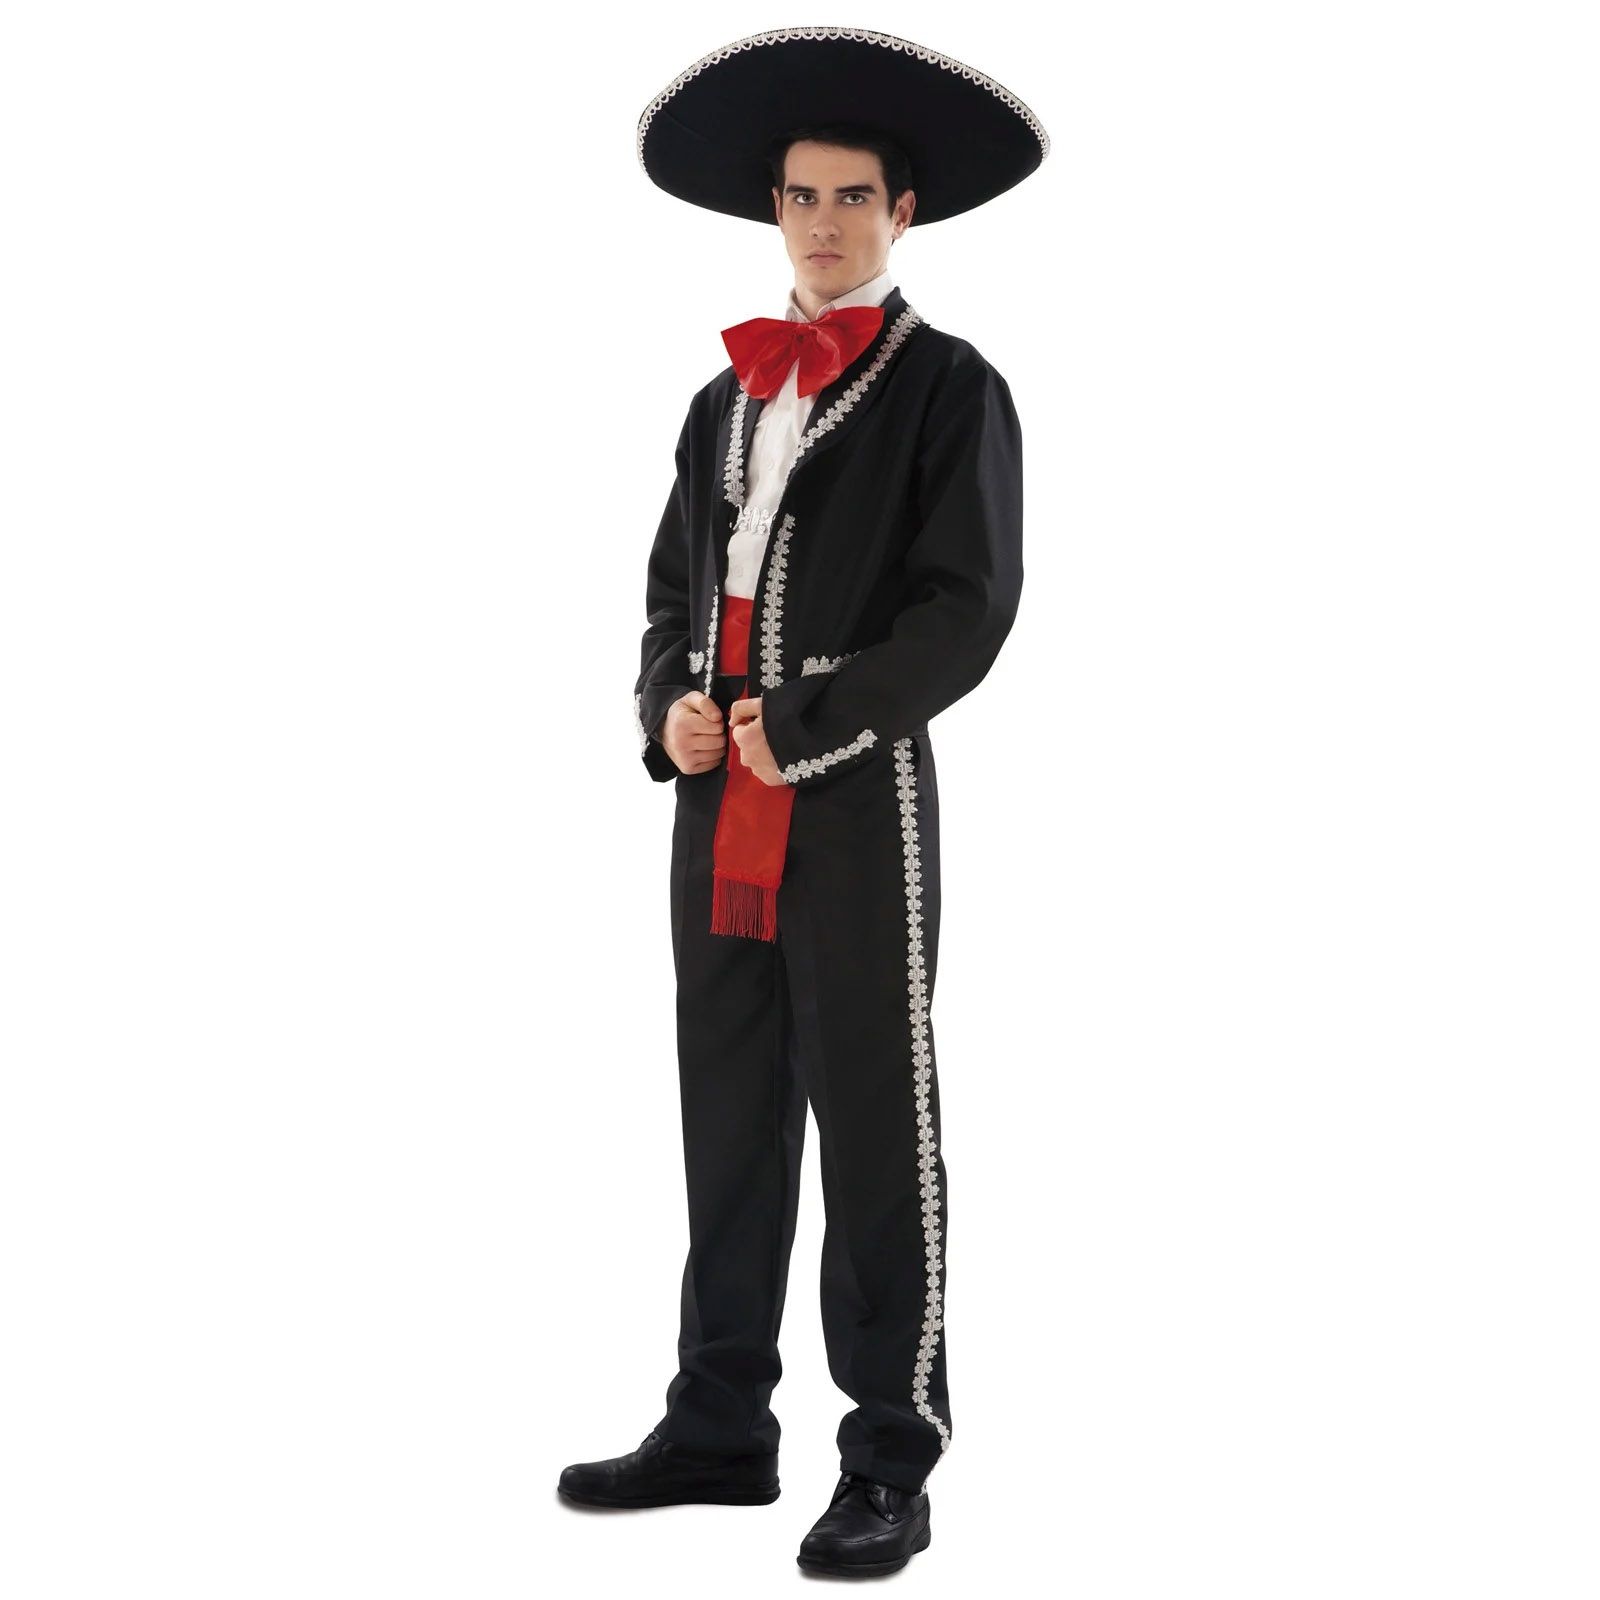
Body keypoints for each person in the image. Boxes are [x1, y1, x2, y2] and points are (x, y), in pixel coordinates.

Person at [558, 26, 1047, 1578]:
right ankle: (718, 1422)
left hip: (851, 799)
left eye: (852, 197)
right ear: (770, 208)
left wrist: (811, 721)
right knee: (728, 1111)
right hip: (717, 804)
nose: (823, 223)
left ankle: (891, 1454)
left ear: (903, 211)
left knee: (876, 1123)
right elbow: (668, 597)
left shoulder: (951, 389)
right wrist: (672, 710)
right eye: (800, 196)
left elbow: (966, 611)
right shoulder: (720, 403)